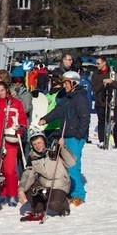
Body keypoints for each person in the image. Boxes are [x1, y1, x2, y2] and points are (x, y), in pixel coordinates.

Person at [39, 71, 90, 206]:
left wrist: (78, 136)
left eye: (67, 83)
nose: (64, 85)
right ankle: (69, 191)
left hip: (74, 138)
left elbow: (85, 119)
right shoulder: (68, 98)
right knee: (64, 167)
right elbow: (57, 111)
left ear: (74, 83)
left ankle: (78, 194)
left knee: (73, 166)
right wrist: (45, 119)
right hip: (65, 136)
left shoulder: (80, 98)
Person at [0, 81, 27, 207]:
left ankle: (12, 194)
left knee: (9, 170)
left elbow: (23, 120)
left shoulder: (16, 104)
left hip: (9, 140)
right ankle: (1, 194)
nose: (0, 93)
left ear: (7, 90)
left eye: (2, 90)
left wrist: (20, 129)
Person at [17, 131, 75, 219]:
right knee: (29, 187)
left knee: (53, 205)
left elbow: (71, 162)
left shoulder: (55, 150)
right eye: (35, 144)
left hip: (59, 184)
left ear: (44, 141)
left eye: (39, 142)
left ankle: (64, 206)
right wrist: (21, 190)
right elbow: (28, 174)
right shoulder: (33, 157)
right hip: (44, 183)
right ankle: (39, 209)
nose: (37, 146)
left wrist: (63, 147)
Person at [91, 56, 117, 149]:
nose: (97, 65)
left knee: (116, 122)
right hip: (100, 102)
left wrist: (111, 82)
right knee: (102, 121)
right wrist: (103, 83)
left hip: (112, 102)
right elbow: (94, 88)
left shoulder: (113, 73)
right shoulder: (95, 74)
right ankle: (102, 140)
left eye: (98, 63)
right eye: (96, 63)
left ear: (104, 63)